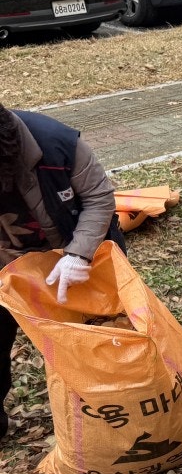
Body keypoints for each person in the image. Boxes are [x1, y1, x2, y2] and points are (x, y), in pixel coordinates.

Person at [0, 104, 122, 439]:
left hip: (71, 246)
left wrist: (79, 255)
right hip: (7, 259)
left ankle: (118, 405)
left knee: (102, 332)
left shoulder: (57, 144)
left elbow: (99, 197)